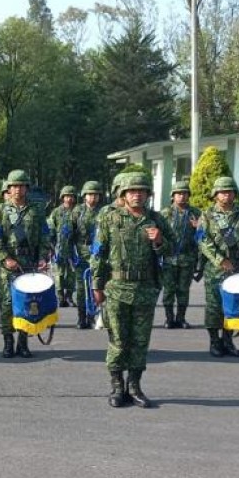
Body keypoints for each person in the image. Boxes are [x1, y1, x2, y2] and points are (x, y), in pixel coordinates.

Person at [90, 173, 172, 408]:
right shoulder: (109, 218)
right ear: (123, 195)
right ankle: (117, 387)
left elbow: (173, 247)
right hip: (116, 288)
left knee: (139, 341)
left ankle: (134, 386)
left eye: (141, 191)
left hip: (145, 289)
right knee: (117, 339)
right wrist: (97, 285)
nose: (137, 195)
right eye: (132, 191)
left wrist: (159, 241)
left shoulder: (156, 220)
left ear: (148, 195)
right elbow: (99, 253)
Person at [0, 169, 51, 359]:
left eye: (21, 186)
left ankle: (23, 342)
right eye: (14, 186)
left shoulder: (37, 210)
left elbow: (45, 236)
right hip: (8, 264)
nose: (17, 190)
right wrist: (5, 257)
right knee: (7, 302)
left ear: (27, 188)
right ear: (8, 188)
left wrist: (42, 257)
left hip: (30, 264)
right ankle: (8, 341)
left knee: (27, 303)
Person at [197, 176, 239, 358]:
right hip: (216, 270)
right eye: (223, 192)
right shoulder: (207, 215)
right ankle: (214, 341)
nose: (226, 195)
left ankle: (228, 340)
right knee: (215, 307)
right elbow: (202, 240)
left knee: (233, 306)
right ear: (215, 195)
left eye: (230, 192)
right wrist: (220, 260)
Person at [160, 181, 201, 329]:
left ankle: (181, 318)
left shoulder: (196, 213)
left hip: (187, 258)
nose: (182, 196)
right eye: (178, 194)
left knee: (183, 290)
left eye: (184, 193)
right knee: (169, 290)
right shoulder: (165, 213)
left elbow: (203, 237)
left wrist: (199, 227)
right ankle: (169, 318)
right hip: (169, 258)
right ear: (173, 196)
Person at [70, 180, 104, 329]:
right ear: (84, 196)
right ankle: (81, 317)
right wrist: (69, 254)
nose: (93, 197)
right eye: (90, 194)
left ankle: (93, 315)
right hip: (81, 252)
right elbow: (68, 233)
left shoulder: (104, 211)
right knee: (81, 287)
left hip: (98, 254)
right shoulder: (77, 211)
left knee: (96, 286)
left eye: (95, 194)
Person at [48, 185, 78, 307]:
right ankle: (60, 297)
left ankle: (69, 296)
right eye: (67, 196)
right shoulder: (56, 212)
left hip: (73, 248)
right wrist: (51, 247)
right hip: (59, 247)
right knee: (59, 274)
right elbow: (50, 228)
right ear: (62, 197)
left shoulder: (77, 212)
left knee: (72, 274)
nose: (69, 199)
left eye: (71, 196)